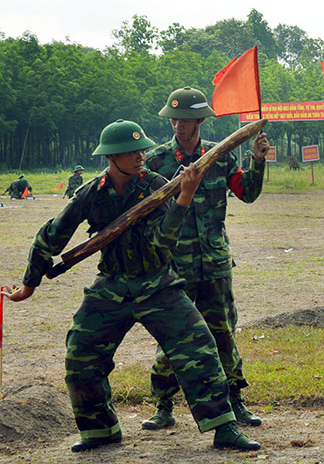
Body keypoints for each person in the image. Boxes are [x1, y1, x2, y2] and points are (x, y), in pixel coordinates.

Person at [1, 120, 259, 452]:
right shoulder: (91, 193)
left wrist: (184, 198)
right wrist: (29, 284)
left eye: (141, 149)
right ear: (112, 157)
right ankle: (100, 431)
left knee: (200, 347)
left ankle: (223, 426)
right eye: (130, 151)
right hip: (111, 285)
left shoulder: (157, 185)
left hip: (157, 284)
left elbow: (163, 242)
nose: (140, 155)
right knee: (81, 353)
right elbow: (51, 236)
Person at [143, 87, 269, 430]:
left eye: (184, 120)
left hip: (214, 262)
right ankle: (164, 405)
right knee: (173, 335)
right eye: (173, 120)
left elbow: (248, 194)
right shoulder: (156, 161)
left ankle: (235, 400)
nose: (178, 126)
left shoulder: (220, 156)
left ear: (199, 119)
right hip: (174, 266)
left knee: (222, 333)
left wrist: (257, 161)